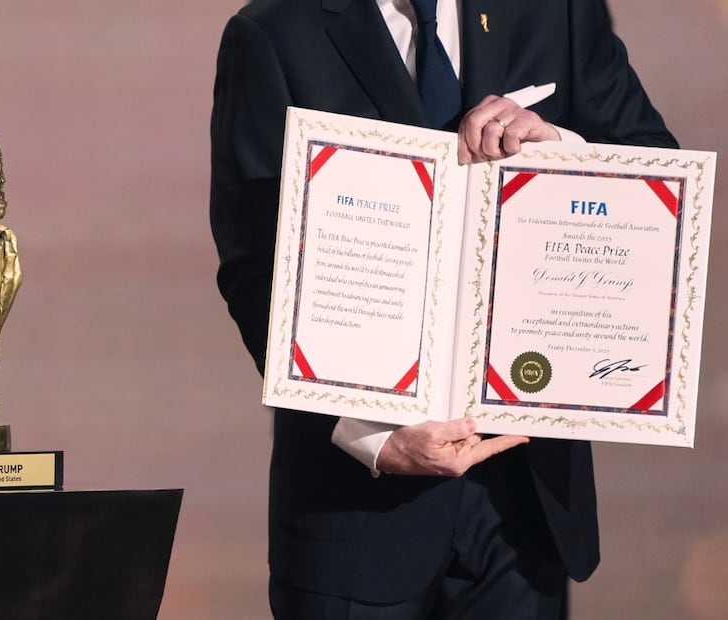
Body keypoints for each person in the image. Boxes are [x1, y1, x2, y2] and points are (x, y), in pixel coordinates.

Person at [209, 0, 678, 617]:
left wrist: (556, 146)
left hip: (522, 503)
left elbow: (656, 178)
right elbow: (256, 269)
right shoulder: (273, 34)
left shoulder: (553, 11)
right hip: (354, 514)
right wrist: (372, 436)